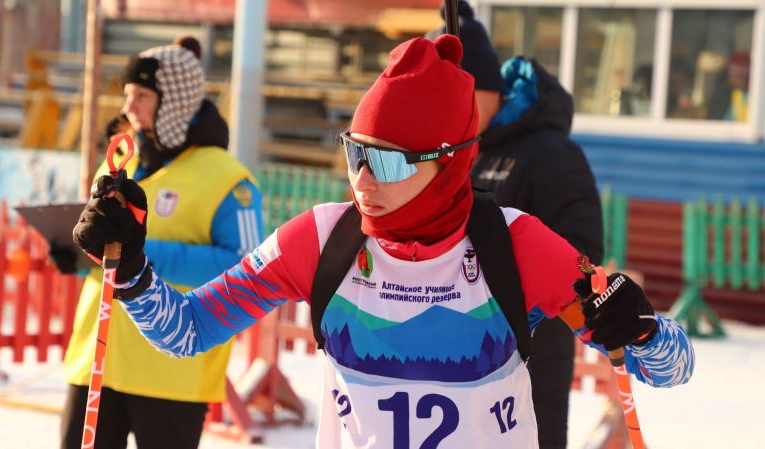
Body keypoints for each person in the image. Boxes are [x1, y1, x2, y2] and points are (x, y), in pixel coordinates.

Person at [72, 35, 694, 449]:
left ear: (449, 162)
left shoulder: (515, 244)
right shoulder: (320, 239)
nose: (364, 181)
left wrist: (641, 329)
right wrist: (133, 270)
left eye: (390, 162)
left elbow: (670, 369)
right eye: (356, 153)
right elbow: (186, 332)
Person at [53, 36, 264, 449]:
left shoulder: (229, 179)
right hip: (97, 361)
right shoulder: (119, 163)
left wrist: (138, 257)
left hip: (171, 374)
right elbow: (103, 249)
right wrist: (76, 255)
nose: (128, 107)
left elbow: (244, 267)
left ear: (176, 101)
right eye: (127, 95)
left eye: (142, 96)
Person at [427, 3, 604, 448]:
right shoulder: (463, 151)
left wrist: (506, 286)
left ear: (484, 87)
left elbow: (582, 251)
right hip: (460, 350)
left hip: (532, 351)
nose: (449, 111)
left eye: (457, 96)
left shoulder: (551, 154)